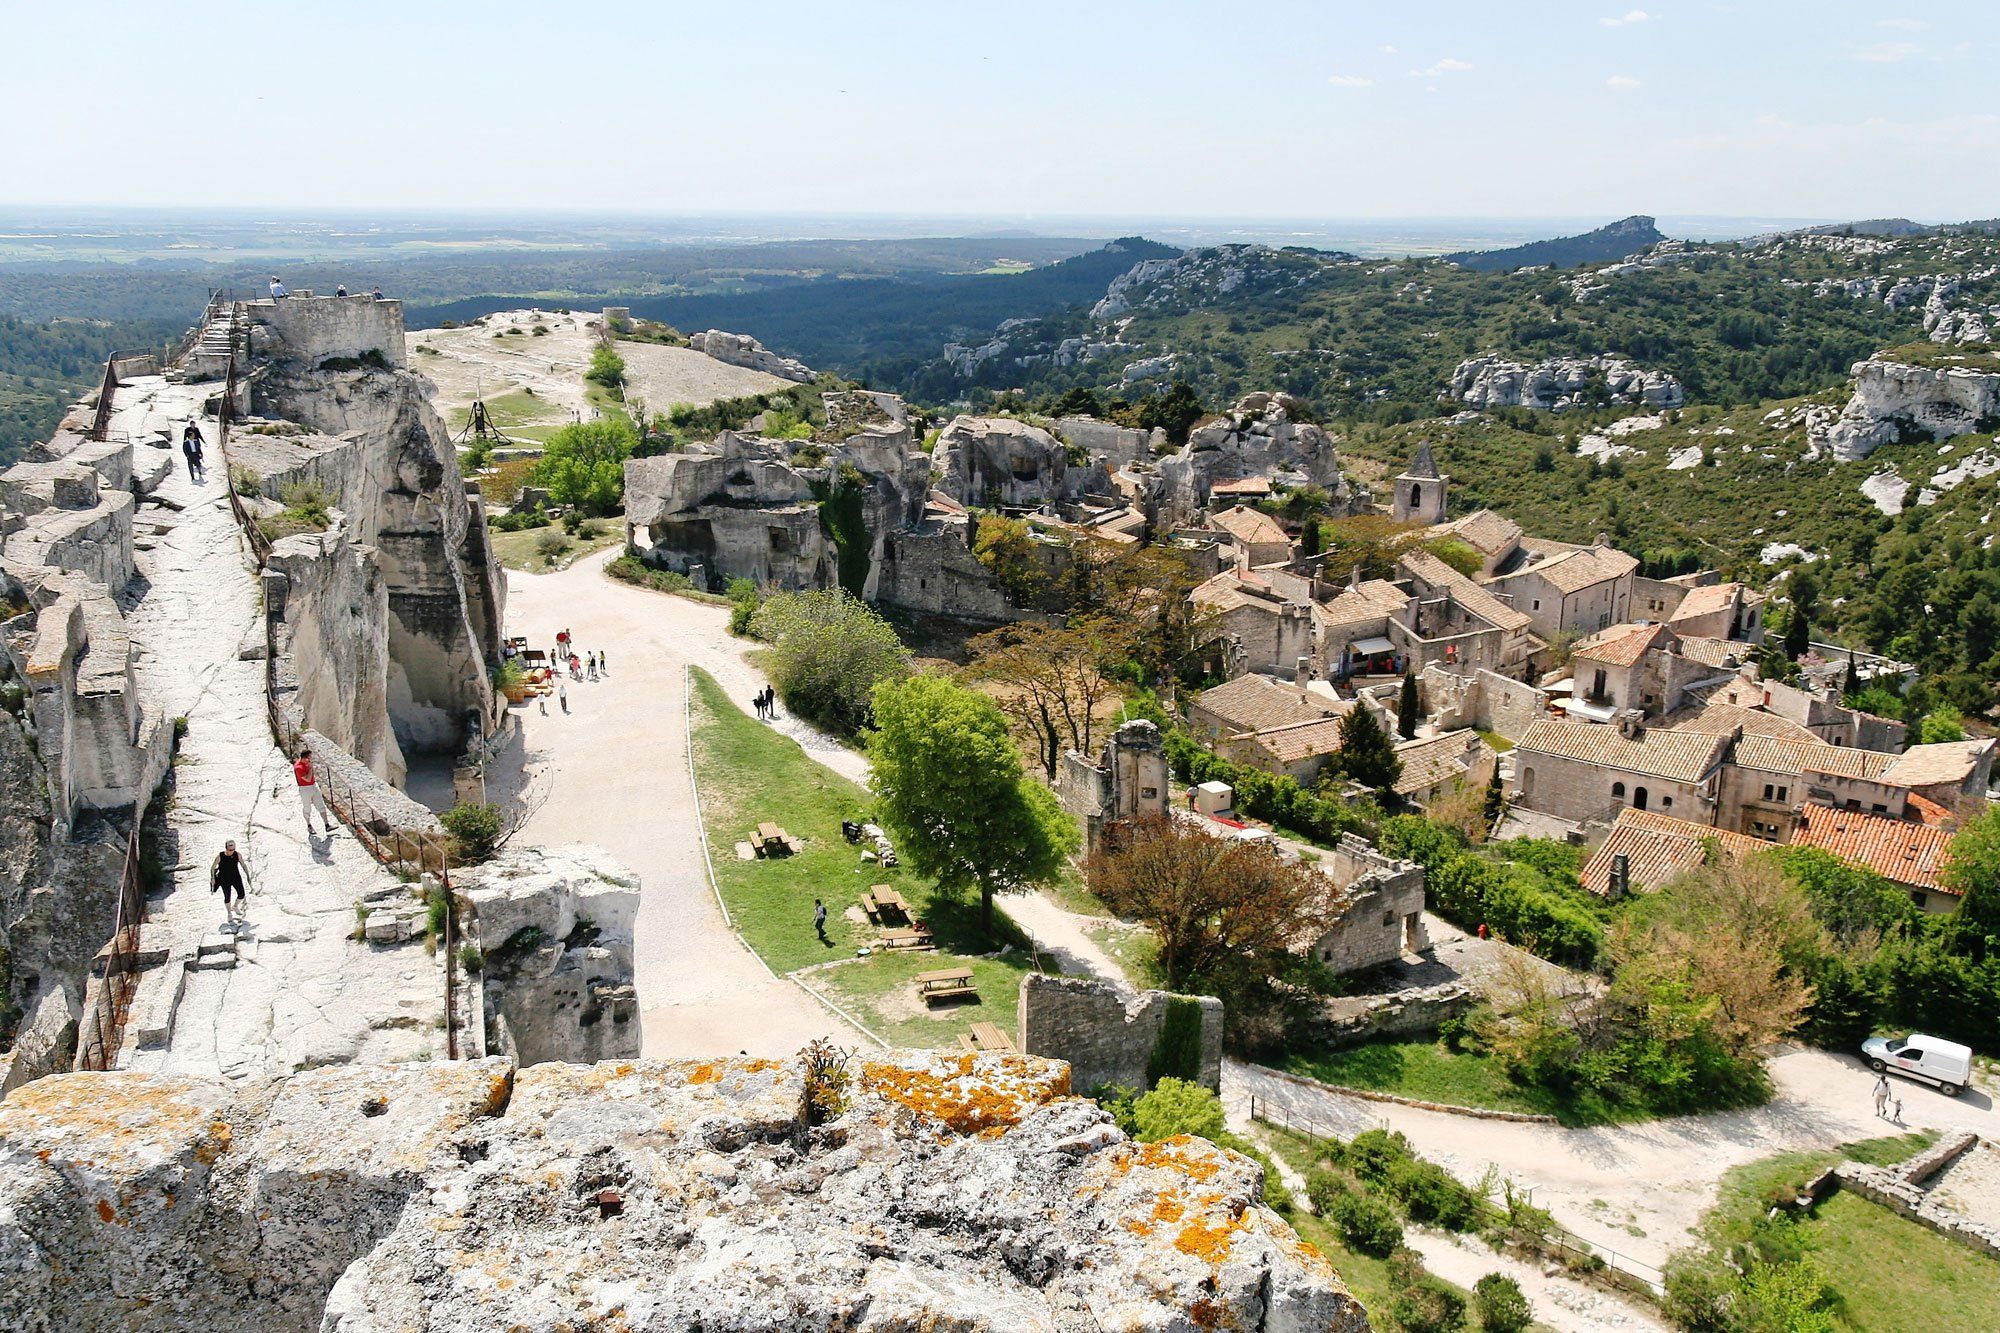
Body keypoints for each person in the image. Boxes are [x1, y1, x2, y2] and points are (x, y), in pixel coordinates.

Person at [294, 747, 334, 837]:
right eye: (309, 758)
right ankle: (309, 825)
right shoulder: (298, 767)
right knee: (307, 808)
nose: (310, 760)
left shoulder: (307, 764)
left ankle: (327, 825)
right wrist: (310, 769)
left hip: (313, 785)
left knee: (321, 805)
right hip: (305, 789)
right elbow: (307, 779)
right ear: (304, 758)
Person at [211, 839, 249, 925]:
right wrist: (212, 878)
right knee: (227, 897)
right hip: (224, 878)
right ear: (226, 848)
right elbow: (213, 867)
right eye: (230, 848)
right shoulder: (220, 856)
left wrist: (247, 875)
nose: (232, 851)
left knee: (241, 894)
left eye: (233, 848)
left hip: (235, 877)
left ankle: (235, 906)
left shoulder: (237, 855)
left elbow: (243, 865)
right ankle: (229, 913)